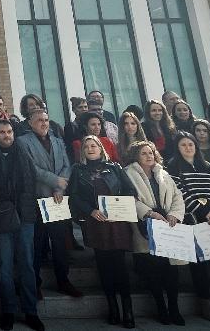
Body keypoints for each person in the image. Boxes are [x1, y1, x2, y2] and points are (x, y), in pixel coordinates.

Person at [164, 131, 210, 323]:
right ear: (177, 148)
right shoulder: (172, 167)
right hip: (193, 220)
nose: (188, 148)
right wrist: (203, 212)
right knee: (200, 265)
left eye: (191, 144)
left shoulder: (207, 166)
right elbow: (181, 193)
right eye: (183, 145)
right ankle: (205, 303)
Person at [67, 134, 137, 328]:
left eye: (93, 145)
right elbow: (73, 196)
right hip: (96, 223)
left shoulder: (114, 168)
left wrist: (117, 205)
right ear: (83, 151)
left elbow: (130, 191)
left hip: (117, 223)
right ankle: (113, 308)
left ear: (101, 148)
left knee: (121, 268)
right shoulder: (78, 170)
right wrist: (90, 210)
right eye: (87, 146)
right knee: (104, 268)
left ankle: (128, 310)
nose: (90, 149)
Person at [16, 109, 78, 300]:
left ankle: (63, 280)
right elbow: (30, 168)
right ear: (30, 123)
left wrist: (60, 188)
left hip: (57, 199)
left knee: (60, 243)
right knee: (37, 243)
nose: (44, 123)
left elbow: (67, 166)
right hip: (36, 200)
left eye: (46, 120)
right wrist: (54, 181)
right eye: (39, 120)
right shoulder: (22, 142)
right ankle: (34, 283)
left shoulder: (58, 141)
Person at [126, 140, 186, 325]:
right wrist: (149, 212)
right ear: (136, 155)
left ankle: (174, 308)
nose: (149, 156)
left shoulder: (163, 173)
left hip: (168, 226)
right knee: (153, 270)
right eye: (144, 153)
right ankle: (161, 307)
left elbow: (177, 196)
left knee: (171, 270)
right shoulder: (128, 173)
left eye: (151, 152)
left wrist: (175, 215)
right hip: (145, 226)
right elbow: (128, 198)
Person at [0, 120, 31, 331]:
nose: (6, 135)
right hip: (0, 217)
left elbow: (31, 181)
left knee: (27, 265)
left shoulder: (23, 153)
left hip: (25, 216)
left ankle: (31, 312)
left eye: (9, 131)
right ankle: (9, 311)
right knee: (4, 268)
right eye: (2, 132)